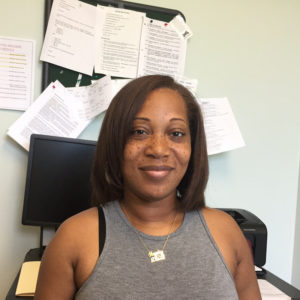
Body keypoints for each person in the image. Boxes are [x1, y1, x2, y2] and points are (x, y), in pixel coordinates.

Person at [34, 75, 261, 300]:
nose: (159, 149)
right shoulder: (73, 238)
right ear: (116, 142)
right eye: (139, 132)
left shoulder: (227, 232)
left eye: (176, 134)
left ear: (192, 147)